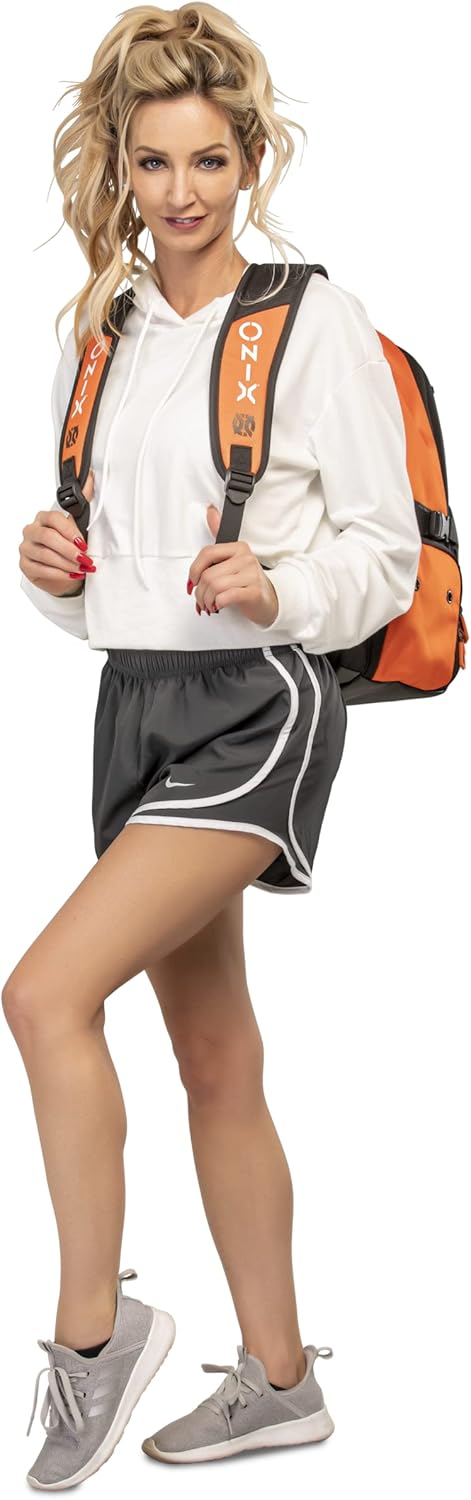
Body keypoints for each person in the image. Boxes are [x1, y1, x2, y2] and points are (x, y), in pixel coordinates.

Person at [4, 2, 421, 1487]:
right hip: (135, 701)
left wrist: (278, 587)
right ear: (117, 168)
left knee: (44, 994)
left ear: (251, 163)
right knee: (216, 1054)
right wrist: (49, 570)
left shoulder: (313, 321)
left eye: (209, 160)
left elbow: (383, 554)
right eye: (152, 162)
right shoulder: (104, 332)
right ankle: (283, 1382)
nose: (180, 192)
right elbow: (103, 584)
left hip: (258, 705)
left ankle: (92, 1341)